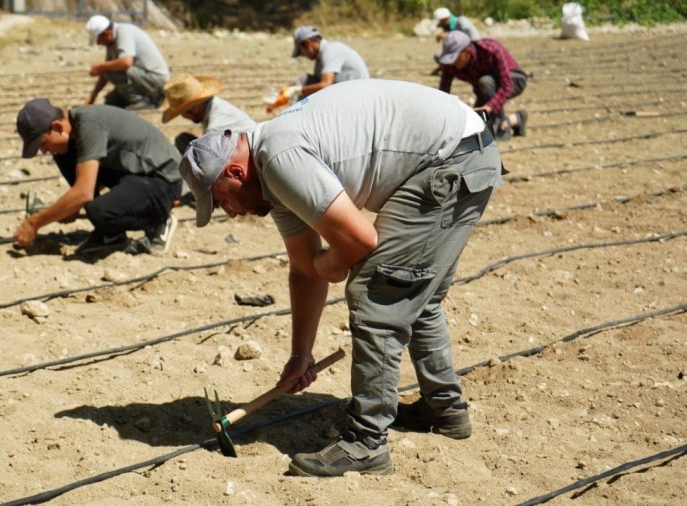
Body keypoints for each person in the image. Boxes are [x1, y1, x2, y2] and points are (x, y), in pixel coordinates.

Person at [179, 79, 503, 476]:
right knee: (416, 292)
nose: (229, 213)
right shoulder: (270, 180)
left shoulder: (280, 158)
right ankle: (444, 409)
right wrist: (301, 354)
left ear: (234, 171)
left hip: (451, 159)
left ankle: (366, 443)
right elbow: (303, 268)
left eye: (221, 200)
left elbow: (358, 241)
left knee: (378, 291)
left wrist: (329, 266)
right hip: (464, 150)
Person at [14, 98, 181, 256]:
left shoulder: (89, 125)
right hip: (133, 173)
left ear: (57, 127)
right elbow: (82, 191)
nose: (43, 151)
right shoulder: (70, 136)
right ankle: (111, 235)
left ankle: (158, 222)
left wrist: (34, 223)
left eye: (43, 144)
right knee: (65, 156)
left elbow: (83, 193)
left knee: (99, 211)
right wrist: (66, 209)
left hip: (163, 180)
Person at [436, 31, 528, 139]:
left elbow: (506, 86)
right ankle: (518, 118)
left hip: (514, 79)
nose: (452, 63)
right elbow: (444, 91)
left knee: (485, 82)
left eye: (455, 58)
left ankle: (502, 126)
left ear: (468, 52)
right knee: (475, 122)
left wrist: (487, 108)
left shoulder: (491, 50)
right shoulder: (450, 64)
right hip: (484, 89)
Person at [83, 15, 169, 111]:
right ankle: (140, 99)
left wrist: (100, 66)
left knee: (109, 69)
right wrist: (93, 96)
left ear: (107, 34)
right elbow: (105, 73)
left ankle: (144, 102)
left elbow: (126, 63)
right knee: (111, 103)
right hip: (142, 79)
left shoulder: (124, 32)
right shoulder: (111, 41)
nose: (98, 44)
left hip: (156, 81)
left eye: (98, 40)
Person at [161, 73, 256, 154]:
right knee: (183, 140)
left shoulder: (214, 129)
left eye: (182, 113)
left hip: (252, 160)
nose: (183, 117)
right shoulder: (215, 105)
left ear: (194, 108)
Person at [289, 26, 368, 99]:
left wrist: (297, 90)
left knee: (302, 87)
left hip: (358, 96)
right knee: (305, 80)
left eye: (300, 51)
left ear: (307, 43)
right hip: (345, 93)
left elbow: (325, 85)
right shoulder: (320, 58)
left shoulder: (331, 50)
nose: (302, 55)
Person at [430, 7, 480, 76]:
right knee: (438, 56)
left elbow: (471, 37)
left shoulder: (461, 21)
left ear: (445, 19)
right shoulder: (448, 28)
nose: (438, 25)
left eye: (439, 23)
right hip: (462, 53)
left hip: (472, 51)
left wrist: (448, 34)